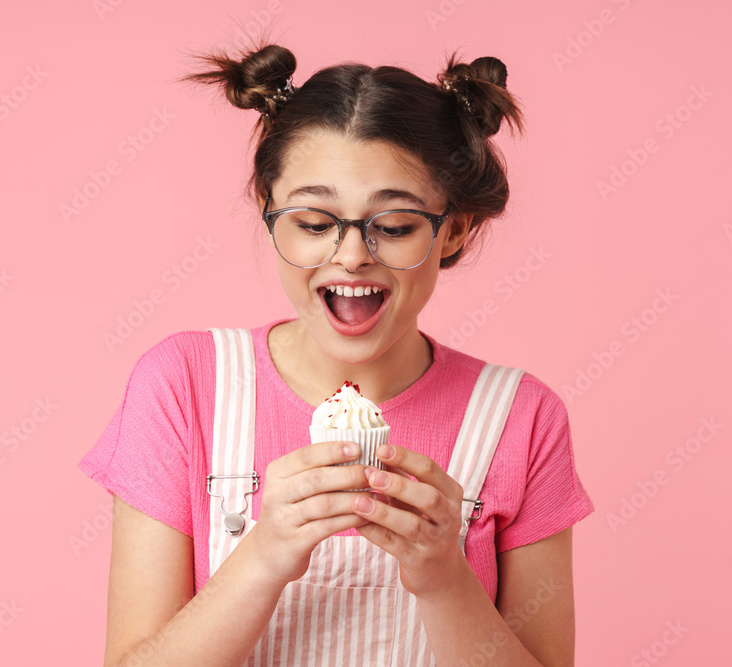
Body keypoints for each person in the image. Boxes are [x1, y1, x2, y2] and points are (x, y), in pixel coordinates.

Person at [78, 42, 594, 667]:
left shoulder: (521, 417)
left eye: (395, 225)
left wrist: (444, 579)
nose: (351, 256)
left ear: (453, 229)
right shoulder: (184, 385)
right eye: (315, 222)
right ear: (268, 213)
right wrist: (265, 554)